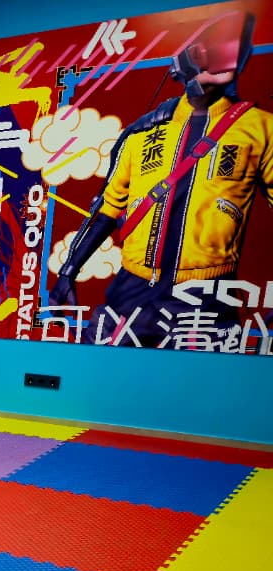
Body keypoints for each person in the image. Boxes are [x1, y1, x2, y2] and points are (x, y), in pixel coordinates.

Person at [51, 11, 272, 349]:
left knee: (203, 380)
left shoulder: (260, 128)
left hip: (206, 295)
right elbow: (108, 207)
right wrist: (69, 270)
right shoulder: (143, 132)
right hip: (132, 288)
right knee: (97, 370)